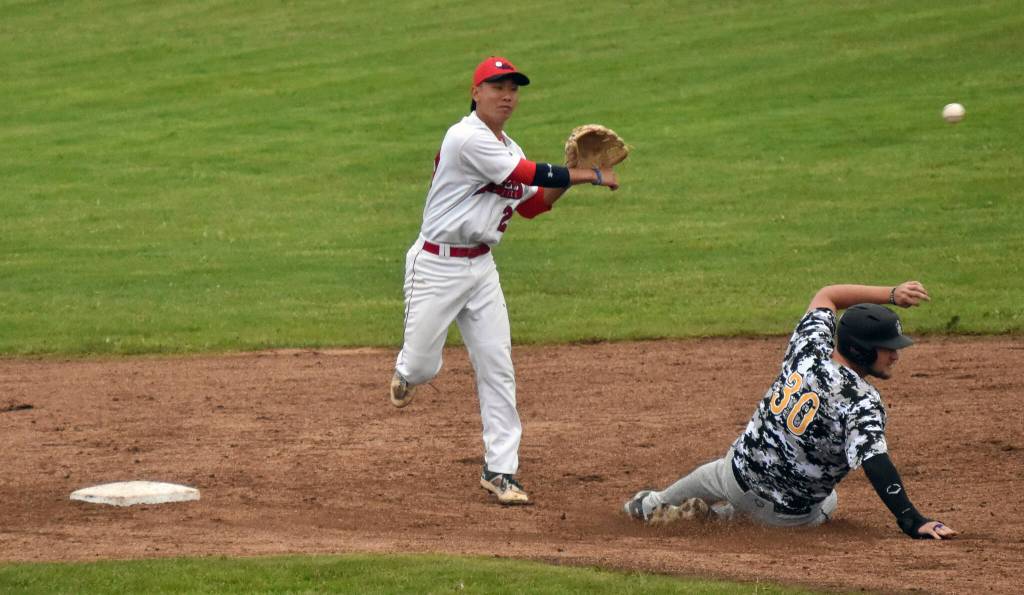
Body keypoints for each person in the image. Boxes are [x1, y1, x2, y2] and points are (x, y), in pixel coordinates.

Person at [390, 56, 621, 505]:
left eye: (513, 88)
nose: (507, 95)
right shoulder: (465, 138)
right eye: (497, 86)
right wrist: (588, 174)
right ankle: (405, 372)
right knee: (422, 367)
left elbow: (533, 203)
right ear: (476, 93)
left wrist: (568, 176)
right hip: (436, 266)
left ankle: (500, 469)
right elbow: (523, 175)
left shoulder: (508, 146)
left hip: (481, 270)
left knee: (497, 367)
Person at [623, 281, 960, 540]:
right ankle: (718, 521)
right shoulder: (861, 400)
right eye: (887, 349)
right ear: (862, 349)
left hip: (736, 479)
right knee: (830, 502)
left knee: (720, 469)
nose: (895, 355)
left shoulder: (809, 349)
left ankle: (650, 504)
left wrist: (890, 293)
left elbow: (827, 294)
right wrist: (912, 520)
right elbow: (876, 463)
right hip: (784, 517)